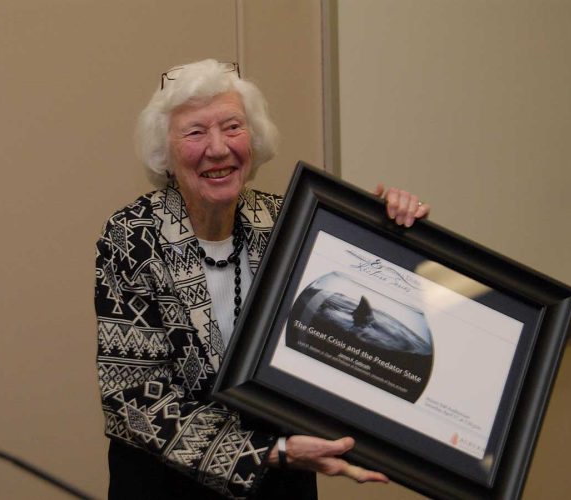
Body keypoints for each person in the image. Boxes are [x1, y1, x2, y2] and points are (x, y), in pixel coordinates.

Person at [95, 59, 430, 500]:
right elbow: (131, 403)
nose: (218, 149)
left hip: (281, 485)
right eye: (195, 132)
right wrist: (270, 452)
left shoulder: (289, 223)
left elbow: (359, 321)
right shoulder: (132, 238)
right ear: (165, 154)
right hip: (168, 487)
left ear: (253, 140)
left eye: (232, 127)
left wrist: (389, 231)